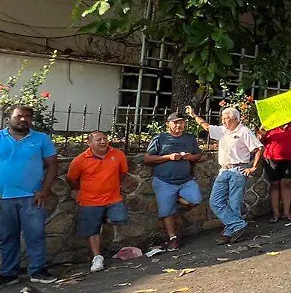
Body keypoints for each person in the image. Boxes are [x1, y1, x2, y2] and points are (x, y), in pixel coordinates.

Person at [0, 105, 58, 285]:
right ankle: (8, 274)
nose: (23, 119)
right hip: (0, 199)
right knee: (7, 237)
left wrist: (44, 190)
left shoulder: (41, 139)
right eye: (19, 116)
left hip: (31, 198)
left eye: (27, 116)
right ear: (9, 118)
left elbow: (52, 165)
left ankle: (38, 271)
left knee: (35, 235)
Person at [186, 105, 263, 244]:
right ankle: (237, 225)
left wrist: (253, 167)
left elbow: (259, 148)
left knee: (234, 203)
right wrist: (194, 115)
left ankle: (231, 231)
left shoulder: (244, 131)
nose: (223, 121)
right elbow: (206, 126)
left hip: (238, 169)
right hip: (224, 170)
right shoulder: (223, 131)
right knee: (215, 201)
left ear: (235, 119)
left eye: (226, 119)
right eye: (222, 118)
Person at [67, 131, 130, 273]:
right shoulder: (80, 160)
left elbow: (123, 173)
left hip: (113, 198)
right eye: (98, 140)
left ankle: (101, 218)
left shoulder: (118, 154)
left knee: (121, 218)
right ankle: (97, 257)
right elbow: (71, 179)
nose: (103, 142)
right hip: (90, 201)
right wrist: (84, 190)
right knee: (92, 230)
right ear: (89, 143)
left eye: (105, 139)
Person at [144, 112, 204, 251]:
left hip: (185, 180)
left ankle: (176, 198)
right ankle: (172, 238)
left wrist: (190, 157)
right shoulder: (160, 138)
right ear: (168, 124)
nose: (179, 125)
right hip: (164, 180)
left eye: (181, 122)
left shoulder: (189, 138)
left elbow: (198, 155)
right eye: (175, 122)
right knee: (167, 212)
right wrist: (168, 157)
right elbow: (148, 159)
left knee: (196, 200)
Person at [259, 118, 291, 222]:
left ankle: (286, 212)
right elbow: (259, 140)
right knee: (274, 184)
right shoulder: (269, 126)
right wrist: (261, 132)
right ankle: (276, 214)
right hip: (272, 159)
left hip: (289, 159)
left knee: (286, 183)